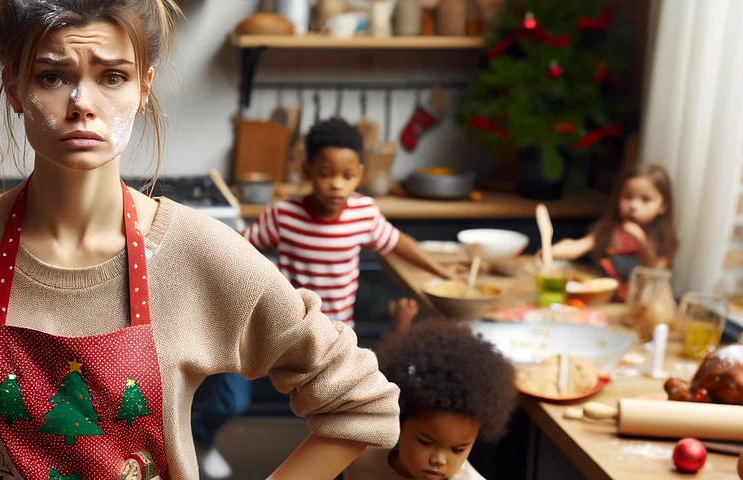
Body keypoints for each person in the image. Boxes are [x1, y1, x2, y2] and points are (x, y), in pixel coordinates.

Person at [0, 1, 401, 479]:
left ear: (143, 87)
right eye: (52, 76)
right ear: (14, 89)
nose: (82, 103)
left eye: (112, 76)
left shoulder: (199, 255)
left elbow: (362, 405)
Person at [195, 118, 453, 478]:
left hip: (334, 338)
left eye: (347, 176)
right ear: (307, 170)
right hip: (280, 328)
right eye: (326, 173)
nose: (336, 184)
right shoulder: (285, 214)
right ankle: (201, 437)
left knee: (347, 414)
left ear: (360, 173)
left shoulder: (363, 213)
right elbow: (240, 248)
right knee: (231, 398)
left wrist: (442, 271)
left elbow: (397, 242)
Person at [344, 321, 515, 480]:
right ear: (400, 421)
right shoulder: (356, 462)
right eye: (426, 442)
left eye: (458, 450)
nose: (439, 460)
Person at [548, 164, 677, 299]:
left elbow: (656, 273)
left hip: (641, 303)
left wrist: (642, 242)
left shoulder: (663, 240)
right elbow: (578, 245)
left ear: (663, 206)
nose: (633, 206)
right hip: (608, 299)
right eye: (628, 197)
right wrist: (549, 251)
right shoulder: (609, 230)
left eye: (645, 200)